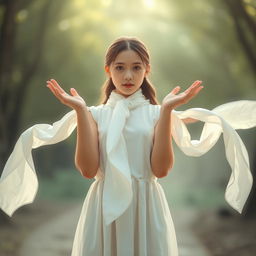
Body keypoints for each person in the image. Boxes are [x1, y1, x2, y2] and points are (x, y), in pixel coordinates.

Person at [0, 36, 255, 256]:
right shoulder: (94, 115)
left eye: (136, 67)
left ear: (147, 70)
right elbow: (88, 171)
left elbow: (161, 170)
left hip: (146, 207)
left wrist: (166, 110)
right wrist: (79, 109)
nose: (128, 75)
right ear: (108, 70)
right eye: (120, 67)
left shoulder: (157, 114)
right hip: (103, 209)